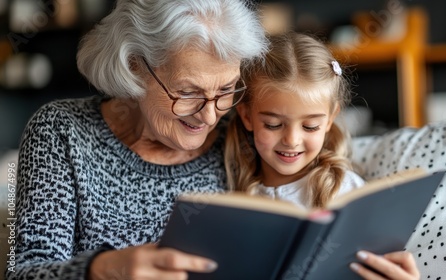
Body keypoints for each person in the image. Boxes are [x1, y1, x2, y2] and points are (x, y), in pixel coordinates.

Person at [7, 0, 267, 279]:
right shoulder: (61, 131)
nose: (209, 116)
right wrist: (102, 269)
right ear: (134, 67)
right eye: (189, 92)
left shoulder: (243, 132)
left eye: (226, 89)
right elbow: (25, 272)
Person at [224, 32, 420, 280]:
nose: (292, 140)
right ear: (246, 117)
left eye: (310, 127)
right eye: (273, 124)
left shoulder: (346, 191)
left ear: (329, 119)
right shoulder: (232, 189)